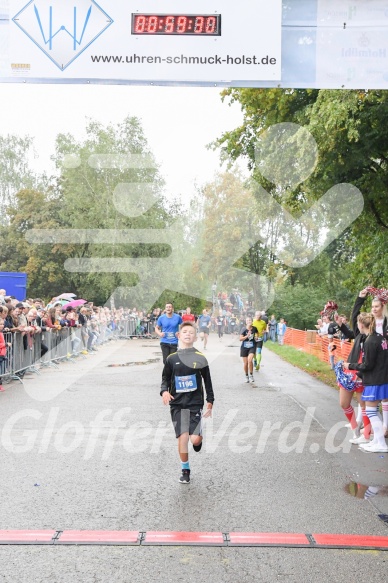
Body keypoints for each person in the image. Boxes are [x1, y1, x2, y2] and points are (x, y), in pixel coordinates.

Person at [160, 321, 214, 484]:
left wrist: (210, 401)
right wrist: (164, 391)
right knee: (182, 438)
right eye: (185, 332)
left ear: (196, 337)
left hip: (194, 404)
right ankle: (185, 470)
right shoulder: (171, 358)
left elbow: (207, 381)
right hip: (177, 404)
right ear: (179, 335)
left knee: (195, 440)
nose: (188, 334)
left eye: (191, 332)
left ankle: (199, 437)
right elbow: (165, 378)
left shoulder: (200, 358)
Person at [344, 312, 388, 453]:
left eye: (357, 323)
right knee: (373, 410)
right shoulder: (380, 338)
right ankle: (377, 440)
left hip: (375, 380)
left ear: (361, 324)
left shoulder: (370, 341)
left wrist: (350, 366)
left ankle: (381, 443)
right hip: (381, 377)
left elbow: (368, 365)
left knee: (370, 411)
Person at [239, 316, 258, 383]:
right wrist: (247, 336)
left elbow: (257, 334)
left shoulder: (254, 328)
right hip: (244, 347)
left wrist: (256, 337)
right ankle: (246, 376)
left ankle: (251, 375)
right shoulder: (243, 329)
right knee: (246, 363)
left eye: (250, 320)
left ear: (252, 321)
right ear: (246, 322)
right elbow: (240, 339)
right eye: (247, 320)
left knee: (250, 360)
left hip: (252, 346)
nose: (249, 321)